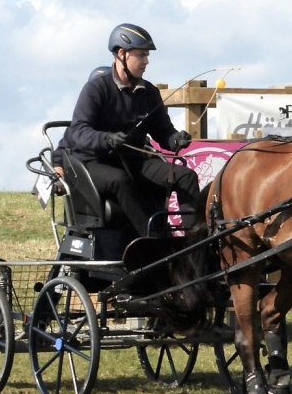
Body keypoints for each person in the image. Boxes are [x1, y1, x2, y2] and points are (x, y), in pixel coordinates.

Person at [54, 23, 200, 235]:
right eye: (141, 55)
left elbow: (163, 131)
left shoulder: (149, 92)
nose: (146, 61)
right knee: (119, 180)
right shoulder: (96, 88)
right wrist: (106, 139)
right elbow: (78, 131)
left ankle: (193, 242)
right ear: (121, 54)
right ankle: (154, 241)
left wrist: (175, 138)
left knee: (185, 176)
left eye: (147, 56)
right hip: (92, 162)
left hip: (133, 161)